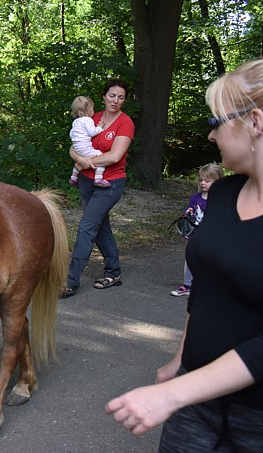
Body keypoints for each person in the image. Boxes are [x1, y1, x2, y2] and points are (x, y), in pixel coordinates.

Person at [106, 59, 263, 451]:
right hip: (197, 398)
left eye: (217, 123)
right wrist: (180, 359)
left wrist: (174, 394)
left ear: (255, 122)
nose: (211, 137)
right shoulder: (224, 194)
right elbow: (207, 290)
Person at [61, 79, 134, 298]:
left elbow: (115, 156)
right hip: (86, 181)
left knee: (86, 227)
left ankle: (70, 281)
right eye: (112, 95)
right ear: (104, 96)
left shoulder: (125, 123)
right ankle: (113, 271)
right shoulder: (91, 117)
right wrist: (79, 160)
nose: (116, 100)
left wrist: (89, 162)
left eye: (121, 97)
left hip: (110, 183)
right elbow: (74, 147)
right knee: (100, 226)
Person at [169, 163, 223, 297]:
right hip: (194, 234)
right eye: (201, 180)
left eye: (207, 180)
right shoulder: (195, 198)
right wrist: (186, 214)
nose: (203, 183)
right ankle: (188, 285)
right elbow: (188, 211)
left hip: (211, 236)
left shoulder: (220, 200)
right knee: (190, 259)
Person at [68, 95, 109, 187]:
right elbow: (92, 132)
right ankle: (98, 179)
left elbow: (71, 133)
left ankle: (73, 178)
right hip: (84, 148)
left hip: (76, 148)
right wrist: (99, 127)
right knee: (101, 157)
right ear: (89, 110)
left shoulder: (76, 121)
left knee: (84, 160)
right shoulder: (88, 120)